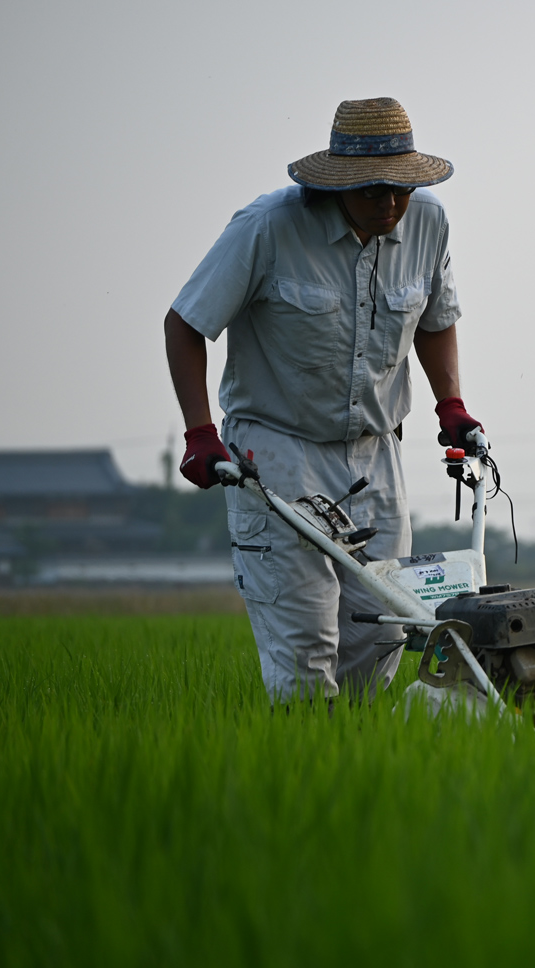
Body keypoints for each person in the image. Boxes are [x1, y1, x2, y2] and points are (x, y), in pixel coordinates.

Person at [164, 97, 484, 703]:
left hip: (376, 453)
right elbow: (185, 323)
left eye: (401, 188)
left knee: (388, 628)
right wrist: (200, 434)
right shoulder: (268, 228)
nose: (389, 203)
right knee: (307, 645)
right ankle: (303, 769)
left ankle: (358, 776)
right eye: (372, 190)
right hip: (278, 453)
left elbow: (436, 318)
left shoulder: (428, 222)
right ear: (336, 182)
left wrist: (451, 405)